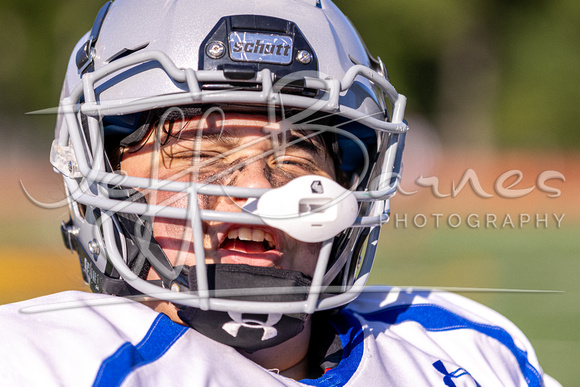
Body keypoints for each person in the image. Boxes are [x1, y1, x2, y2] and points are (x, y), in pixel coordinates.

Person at [0, 1, 560, 386]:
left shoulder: (467, 352)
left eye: (294, 159)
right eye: (202, 156)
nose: (256, 190)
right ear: (102, 169)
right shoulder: (39, 362)